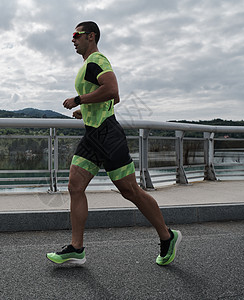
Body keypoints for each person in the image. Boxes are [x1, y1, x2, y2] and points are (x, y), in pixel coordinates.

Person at [46, 21, 182, 266]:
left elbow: (113, 90)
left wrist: (78, 99)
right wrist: (85, 108)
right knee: (75, 186)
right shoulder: (88, 65)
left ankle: (167, 236)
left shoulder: (98, 60)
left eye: (76, 35)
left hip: (107, 134)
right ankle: (77, 248)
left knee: (130, 191)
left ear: (91, 36)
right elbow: (111, 96)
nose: (73, 40)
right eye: (72, 37)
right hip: (92, 135)